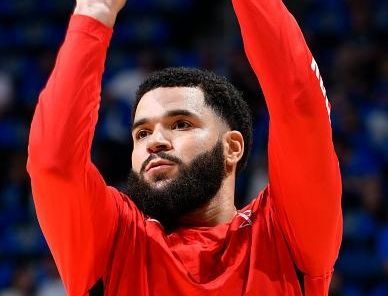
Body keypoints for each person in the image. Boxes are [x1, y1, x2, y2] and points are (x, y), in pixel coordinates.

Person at [27, 0, 343, 295]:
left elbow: (301, 108)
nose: (155, 141)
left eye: (181, 124)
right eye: (142, 133)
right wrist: (94, 13)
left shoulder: (282, 235)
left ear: (232, 146)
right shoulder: (117, 241)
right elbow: (54, 163)